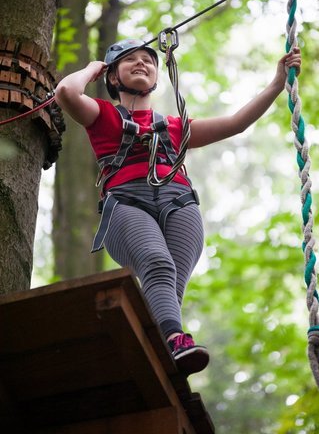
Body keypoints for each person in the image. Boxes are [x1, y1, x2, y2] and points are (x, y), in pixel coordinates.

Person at [55, 39, 301, 376]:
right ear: (112, 77)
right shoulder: (103, 115)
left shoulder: (174, 128)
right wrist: (91, 69)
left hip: (179, 203)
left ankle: (166, 345)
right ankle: (174, 338)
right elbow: (66, 93)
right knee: (158, 265)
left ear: (158, 75)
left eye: (148, 60)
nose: (142, 63)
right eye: (130, 60)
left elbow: (236, 123)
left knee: (169, 285)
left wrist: (277, 82)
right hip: (126, 203)